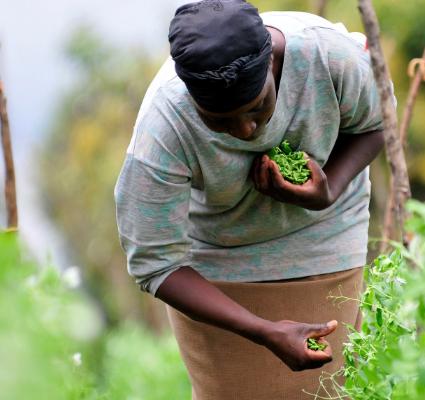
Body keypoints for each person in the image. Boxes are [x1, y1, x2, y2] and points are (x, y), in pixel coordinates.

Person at [114, 1, 386, 398]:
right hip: (219, 271)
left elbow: (377, 124)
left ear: (273, 67)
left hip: (325, 239)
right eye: (220, 121)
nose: (245, 130)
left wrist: (327, 191)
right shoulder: (164, 126)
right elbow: (156, 262)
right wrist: (262, 330)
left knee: (330, 391)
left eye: (258, 106)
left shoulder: (327, 56)